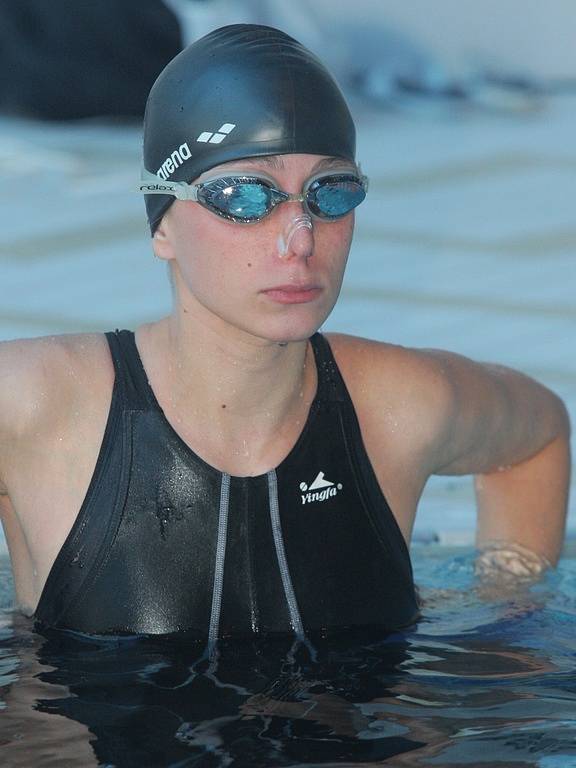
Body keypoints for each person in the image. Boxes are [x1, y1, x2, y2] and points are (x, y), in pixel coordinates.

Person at [0, 25, 570, 641]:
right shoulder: (37, 406)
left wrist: (505, 614)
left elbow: (536, 437)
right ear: (162, 226)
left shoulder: (402, 405)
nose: (299, 240)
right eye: (245, 195)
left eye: (330, 193)